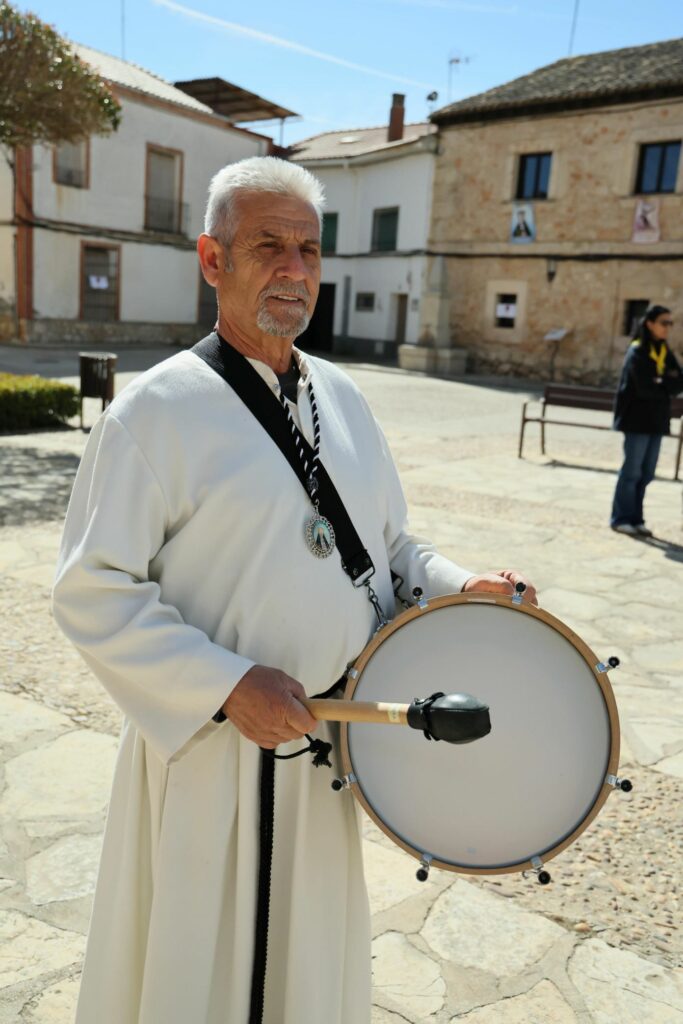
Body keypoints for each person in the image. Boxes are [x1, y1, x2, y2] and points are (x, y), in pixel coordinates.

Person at [53, 156, 537, 1024]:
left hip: (322, 752)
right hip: (208, 758)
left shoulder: (344, 396)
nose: (293, 269)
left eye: (309, 250)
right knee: (197, 975)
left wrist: (467, 586)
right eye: (268, 245)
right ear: (212, 260)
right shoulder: (153, 412)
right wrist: (225, 685)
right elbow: (90, 589)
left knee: (300, 978)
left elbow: (385, 546)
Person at [611, 304, 683, 536]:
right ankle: (621, 518)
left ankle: (636, 518)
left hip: (657, 421)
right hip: (637, 421)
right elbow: (643, 388)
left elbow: (678, 382)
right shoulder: (638, 350)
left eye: (670, 323)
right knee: (631, 472)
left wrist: (660, 381)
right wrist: (664, 382)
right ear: (650, 323)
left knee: (646, 473)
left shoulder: (664, 351)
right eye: (664, 322)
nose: (667, 328)